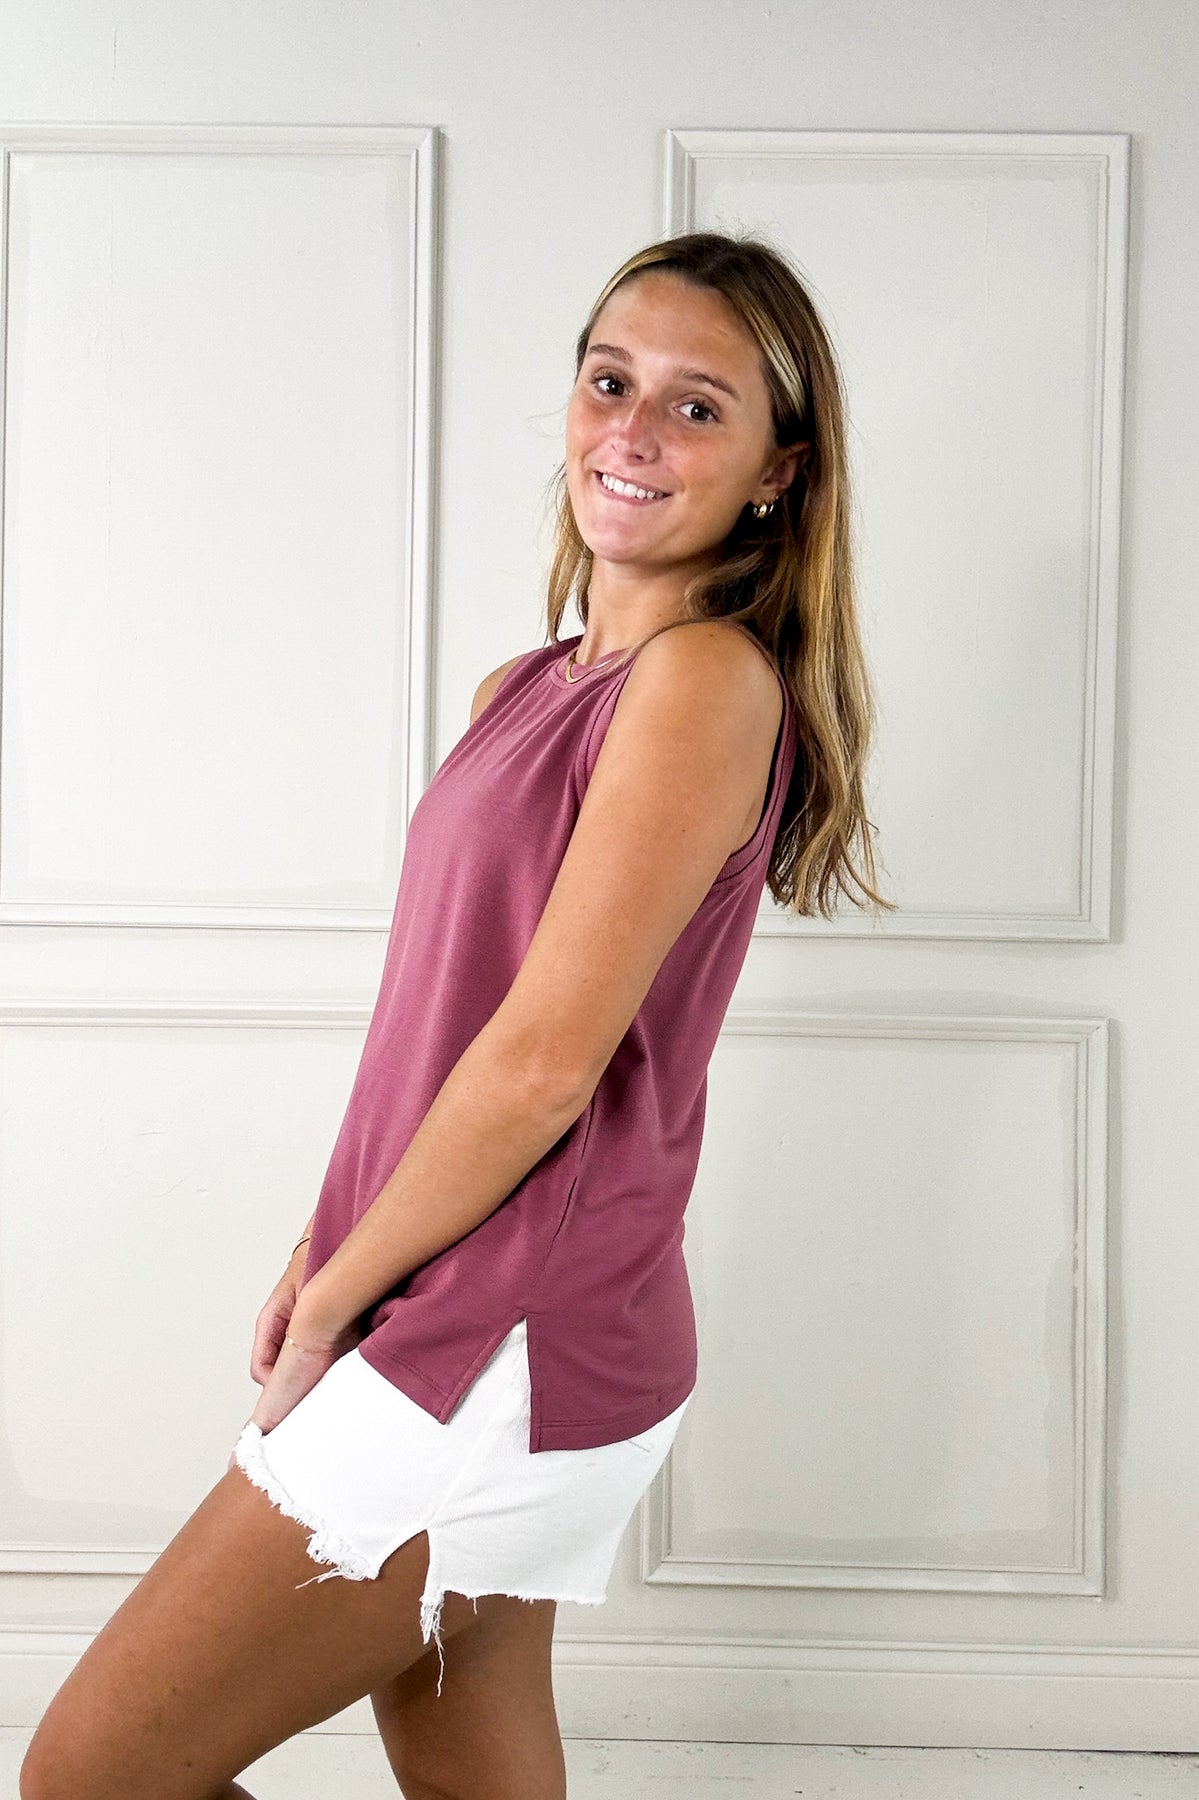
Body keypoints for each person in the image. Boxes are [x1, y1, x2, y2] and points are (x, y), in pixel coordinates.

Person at [20, 229, 892, 1800]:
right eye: (611, 381)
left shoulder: (703, 682)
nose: (633, 430)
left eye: (698, 407)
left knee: (93, 1774)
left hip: (501, 1338)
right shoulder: (528, 687)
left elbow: (546, 1065)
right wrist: (324, 1241)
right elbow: (446, 1012)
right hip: (478, 1305)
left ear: (779, 470)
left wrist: (341, 1303)